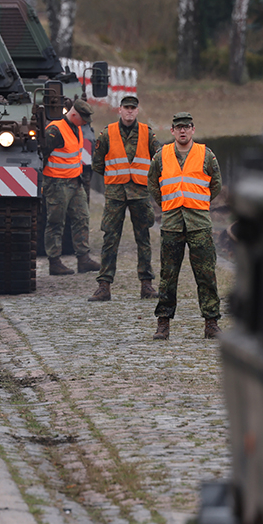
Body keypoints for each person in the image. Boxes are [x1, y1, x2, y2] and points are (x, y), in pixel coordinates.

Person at [147, 112, 222, 340]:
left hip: (199, 223)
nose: (182, 131)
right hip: (172, 224)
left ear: (193, 129)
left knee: (206, 275)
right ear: (172, 131)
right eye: (178, 127)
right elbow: (152, 183)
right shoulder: (161, 156)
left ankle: (211, 323)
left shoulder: (206, 155)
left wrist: (200, 203)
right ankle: (163, 324)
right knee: (168, 275)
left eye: (186, 127)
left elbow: (216, 184)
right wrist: (167, 205)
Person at [87, 94, 160, 301]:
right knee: (110, 238)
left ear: (137, 111)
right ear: (119, 110)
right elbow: (97, 163)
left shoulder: (147, 133)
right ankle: (104, 286)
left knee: (143, 238)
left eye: (132, 108)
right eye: (126, 108)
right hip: (115, 194)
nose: (129, 111)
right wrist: (115, 176)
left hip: (140, 193)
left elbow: (159, 160)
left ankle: (147, 285)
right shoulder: (107, 133)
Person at [43, 99, 100, 275]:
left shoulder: (77, 127)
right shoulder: (55, 130)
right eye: (83, 119)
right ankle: (54, 262)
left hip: (75, 182)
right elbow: (42, 154)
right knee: (56, 222)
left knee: (82, 218)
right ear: (74, 115)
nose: (85, 123)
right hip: (57, 183)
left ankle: (83, 259)